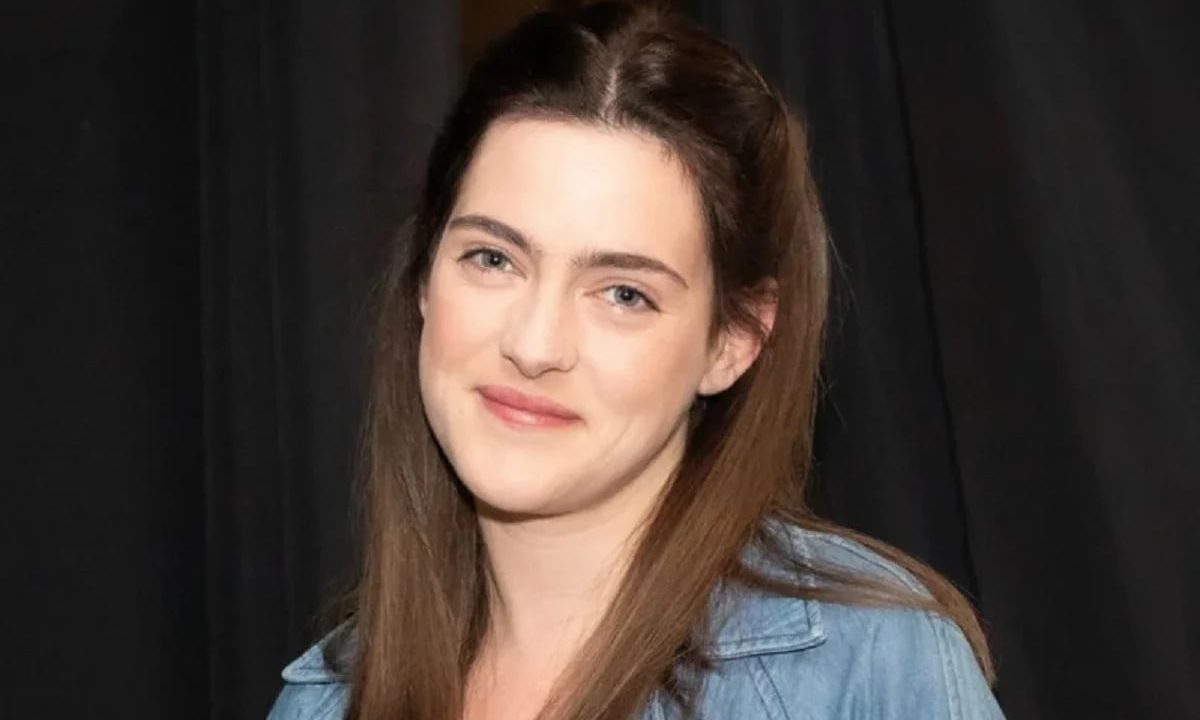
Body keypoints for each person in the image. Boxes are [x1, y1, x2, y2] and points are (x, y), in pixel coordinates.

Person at [268, 2, 1005, 718]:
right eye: (493, 258)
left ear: (734, 341)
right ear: (425, 276)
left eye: (624, 294)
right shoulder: (321, 703)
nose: (534, 345)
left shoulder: (869, 670)